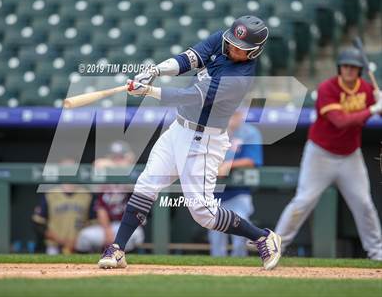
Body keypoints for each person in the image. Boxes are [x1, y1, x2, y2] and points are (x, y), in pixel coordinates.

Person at [99, 15, 282, 270]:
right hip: (178, 130)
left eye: (242, 48)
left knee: (203, 214)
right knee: (147, 183)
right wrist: (156, 70)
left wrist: (149, 91)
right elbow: (189, 59)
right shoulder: (223, 39)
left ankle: (263, 236)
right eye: (232, 42)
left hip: (204, 141)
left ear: (254, 53)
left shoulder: (239, 78)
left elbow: (191, 98)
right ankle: (117, 249)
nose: (233, 48)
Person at [273, 47, 382, 260]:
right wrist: (373, 109)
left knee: (364, 204)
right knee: (303, 201)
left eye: (354, 67)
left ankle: (377, 253)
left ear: (360, 70)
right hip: (320, 154)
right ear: (339, 68)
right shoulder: (327, 88)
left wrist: (379, 101)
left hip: (351, 156)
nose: (349, 70)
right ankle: (275, 246)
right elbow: (340, 121)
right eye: (346, 66)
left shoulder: (367, 90)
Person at [209, 110, 263, 257]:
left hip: (239, 192)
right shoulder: (213, 131)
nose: (232, 118)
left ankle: (239, 267)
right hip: (214, 192)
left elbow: (253, 160)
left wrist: (229, 164)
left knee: (240, 234)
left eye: (236, 114)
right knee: (215, 236)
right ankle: (217, 271)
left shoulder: (249, 132)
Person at [75, 141, 144, 252]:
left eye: (120, 157)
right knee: (84, 237)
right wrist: (107, 230)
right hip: (104, 227)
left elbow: (133, 173)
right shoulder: (103, 177)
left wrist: (126, 164)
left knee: (137, 235)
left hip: (124, 225)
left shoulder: (133, 174)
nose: (117, 160)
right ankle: (89, 263)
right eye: (114, 158)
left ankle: (121, 255)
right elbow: (97, 164)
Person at [32, 160, 97, 255]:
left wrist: (77, 240)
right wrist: (60, 240)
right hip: (54, 246)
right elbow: (38, 224)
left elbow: (93, 223)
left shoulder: (87, 195)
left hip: (80, 245)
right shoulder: (50, 194)